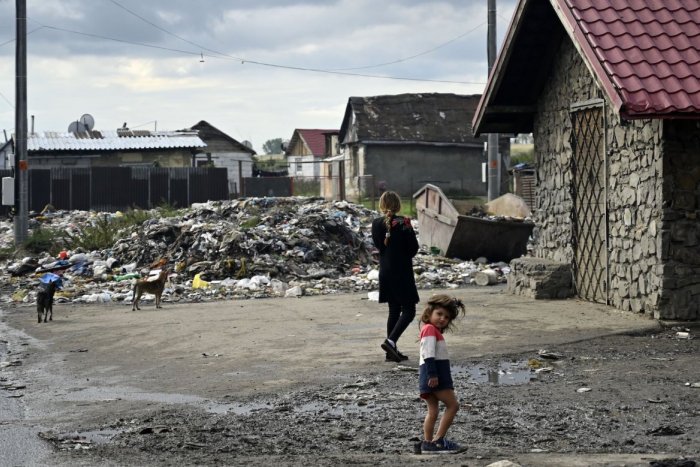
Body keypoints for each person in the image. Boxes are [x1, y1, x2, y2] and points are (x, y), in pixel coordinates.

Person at [371, 191, 419, 363]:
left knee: (394, 310)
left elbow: (379, 246)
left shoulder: (376, 224)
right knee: (409, 310)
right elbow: (413, 248)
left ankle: (390, 352)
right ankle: (390, 342)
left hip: (385, 272)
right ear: (398, 205)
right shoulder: (404, 223)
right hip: (402, 272)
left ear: (381, 205)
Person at [418, 294, 466, 454]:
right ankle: (438, 440)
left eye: (446, 317)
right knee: (453, 405)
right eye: (439, 314)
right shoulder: (430, 330)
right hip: (435, 376)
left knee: (433, 411)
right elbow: (428, 354)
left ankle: (427, 443)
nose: (442, 319)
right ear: (429, 312)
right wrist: (433, 375)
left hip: (427, 376)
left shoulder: (428, 330)